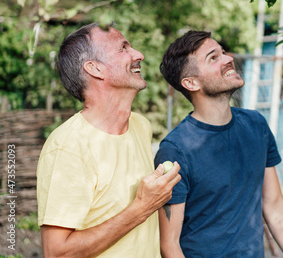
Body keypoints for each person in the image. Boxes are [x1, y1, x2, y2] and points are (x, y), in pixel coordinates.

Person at [36, 23, 181, 258]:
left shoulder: (140, 125)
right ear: (95, 68)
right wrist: (142, 207)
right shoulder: (68, 146)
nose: (138, 55)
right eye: (123, 48)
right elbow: (57, 253)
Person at [155, 30, 283, 257]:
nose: (228, 59)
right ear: (191, 82)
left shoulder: (256, 125)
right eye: (213, 58)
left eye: (223, 52)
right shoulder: (175, 150)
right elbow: (170, 244)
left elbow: (274, 207)